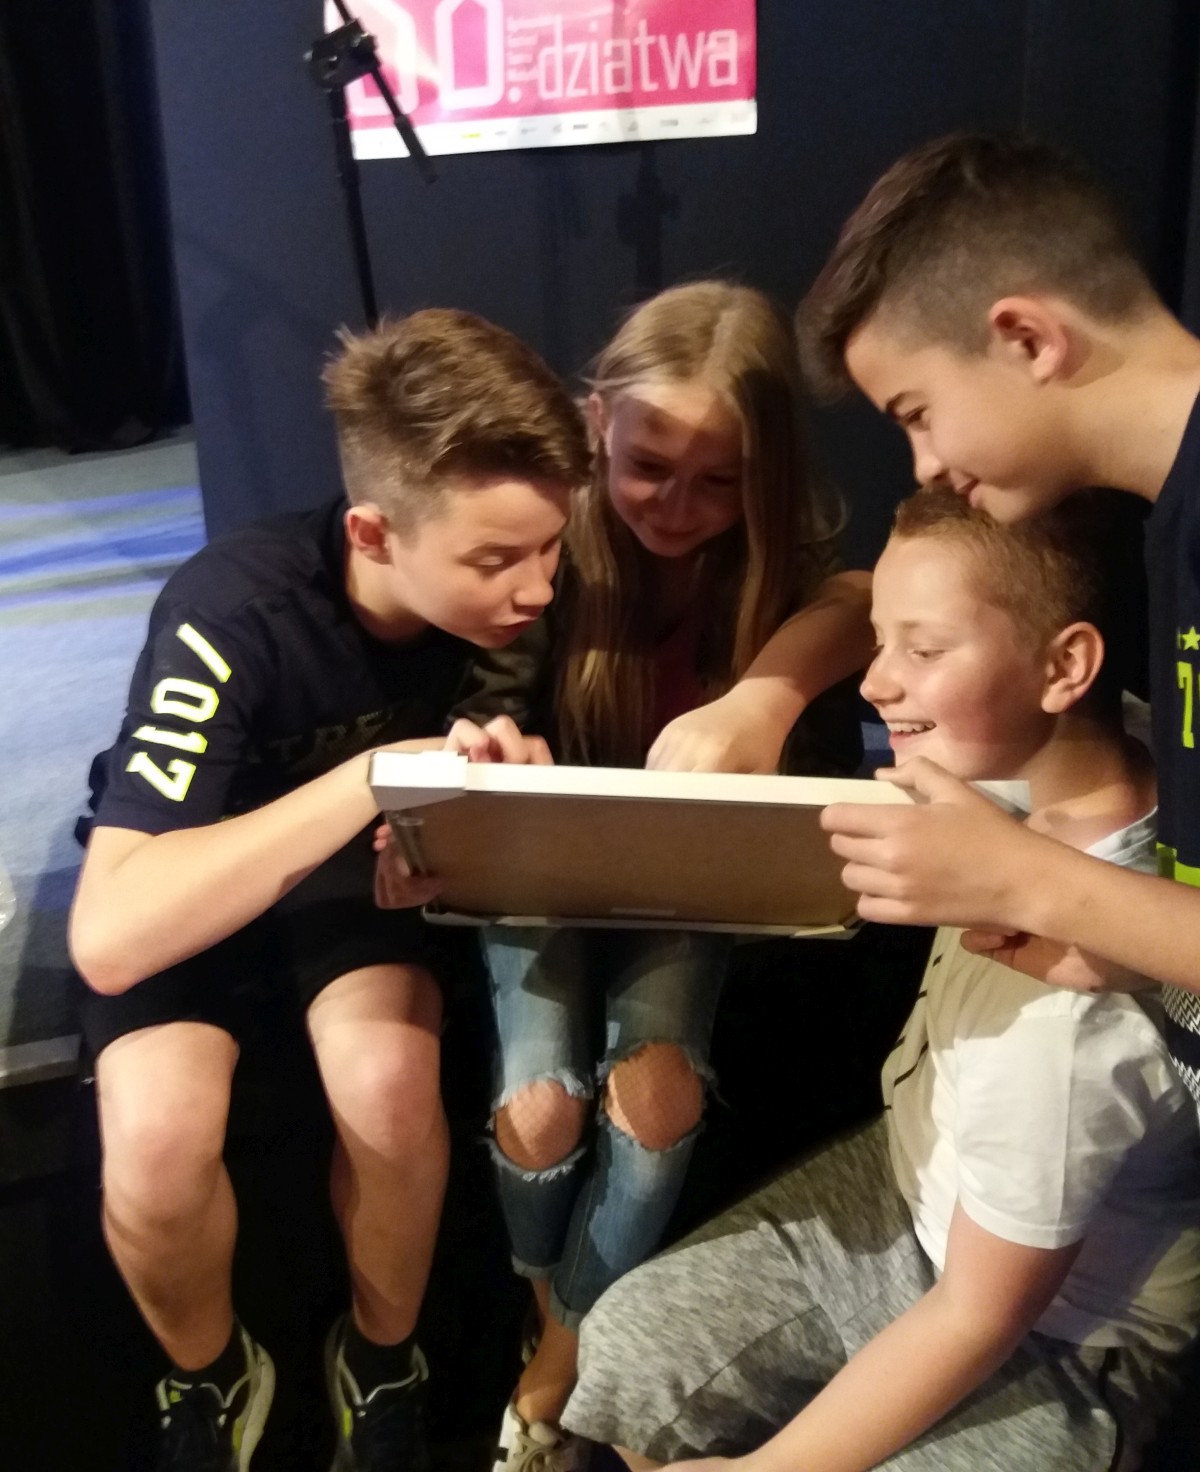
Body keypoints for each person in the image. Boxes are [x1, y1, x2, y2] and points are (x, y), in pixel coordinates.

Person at [563, 487, 1200, 1471]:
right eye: (880, 641)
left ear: (1065, 666)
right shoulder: (1109, 743)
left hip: (1070, 1329)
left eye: (923, 650)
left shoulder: (1063, 1032)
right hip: (922, 1183)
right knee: (629, 1350)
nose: (873, 681)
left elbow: (981, 1311)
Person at [68, 310, 590, 1472]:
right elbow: (111, 934)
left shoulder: (511, 615)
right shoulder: (229, 611)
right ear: (372, 531)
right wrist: (371, 778)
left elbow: (458, 833)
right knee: (155, 1143)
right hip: (200, 868)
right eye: (497, 560)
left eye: (552, 548)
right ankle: (208, 1374)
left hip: (342, 892)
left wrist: (474, 832)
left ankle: (382, 1360)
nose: (537, 587)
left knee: (393, 1094)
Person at [379, 280, 875, 1471]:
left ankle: (558, 1343)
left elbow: (867, 599)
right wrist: (489, 752)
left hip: (686, 886)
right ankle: (560, 1313)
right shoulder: (550, 544)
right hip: (539, 866)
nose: (678, 507)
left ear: (763, 475)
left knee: (656, 1096)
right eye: (650, 466)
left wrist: (763, 702)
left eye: (719, 481)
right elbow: (489, 686)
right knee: (540, 1108)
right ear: (596, 420)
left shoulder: (781, 572)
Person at [796, 132, 1200, 1109]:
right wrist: (1134, 950)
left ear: (1027, 339)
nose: (925, 464)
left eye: (917, 411)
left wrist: (1025, 878)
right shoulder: (1171, 524)